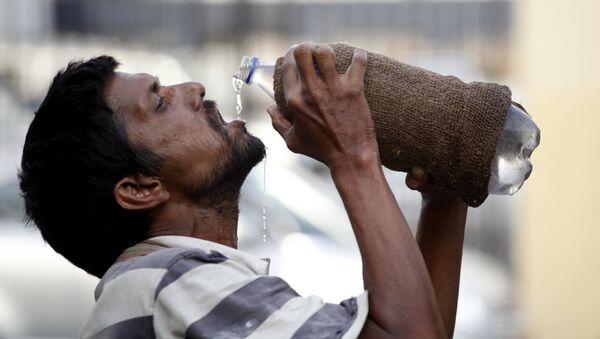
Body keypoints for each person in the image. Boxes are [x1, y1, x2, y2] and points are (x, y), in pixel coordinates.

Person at [19, 42, 468, 338]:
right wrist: (352, 154)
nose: (193, 89)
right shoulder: (173, 282)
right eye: (159, 102)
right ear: (139, 188)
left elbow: (412, 327)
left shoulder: (161, 286)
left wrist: (444, 197)